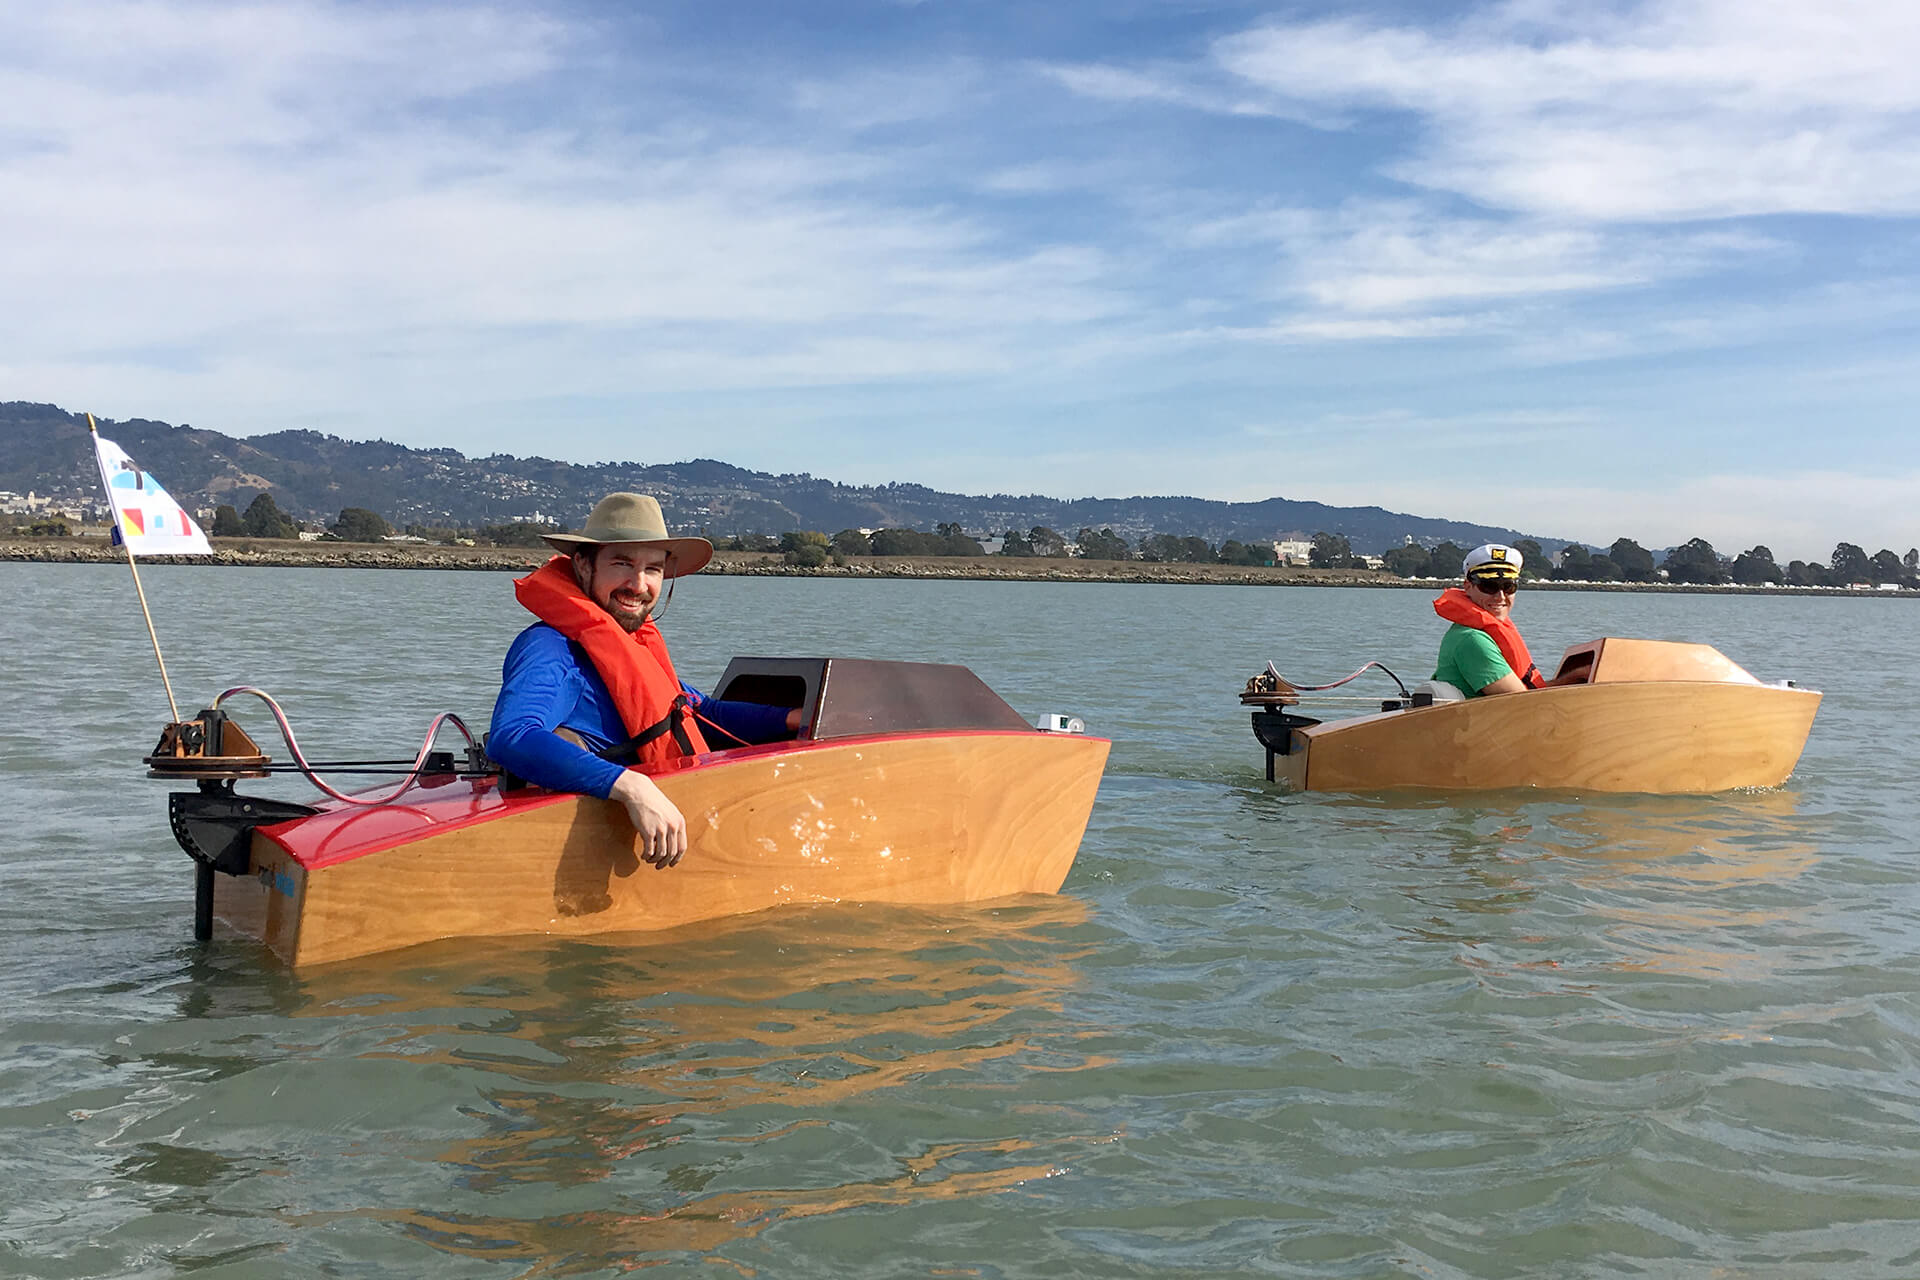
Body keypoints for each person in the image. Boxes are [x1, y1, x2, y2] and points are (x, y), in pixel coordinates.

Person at [488, 492, 799, 868]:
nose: (638, 584)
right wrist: (630, 786)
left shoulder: (633, 641)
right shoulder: (550, 647)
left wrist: (792, 720)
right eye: (622, 563)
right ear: (583, 565)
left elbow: (698, 712)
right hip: (597, 845)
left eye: (653, 569)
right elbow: (513, 736)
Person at [1430, 543, 1585, 697]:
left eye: (1508, 586)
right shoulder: (1472, 640)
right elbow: (1522, 703)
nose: (1500, 597)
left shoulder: (1470, 634)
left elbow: (1524, 695)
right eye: (1489, 586)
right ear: (1468, 587)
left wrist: (1576, 677)